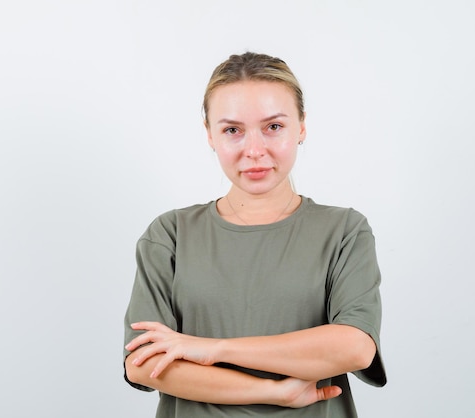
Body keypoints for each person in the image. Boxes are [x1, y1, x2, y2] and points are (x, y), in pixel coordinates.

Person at [123, 52, 386, 417]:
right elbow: (142, 363)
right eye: (232, 130)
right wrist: (274, 392)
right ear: (210, 135)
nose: (254, 150)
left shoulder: (344, 231)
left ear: (302, 126)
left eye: (273, 127)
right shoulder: (171, 234)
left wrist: (211, 349)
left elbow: (355, 347)